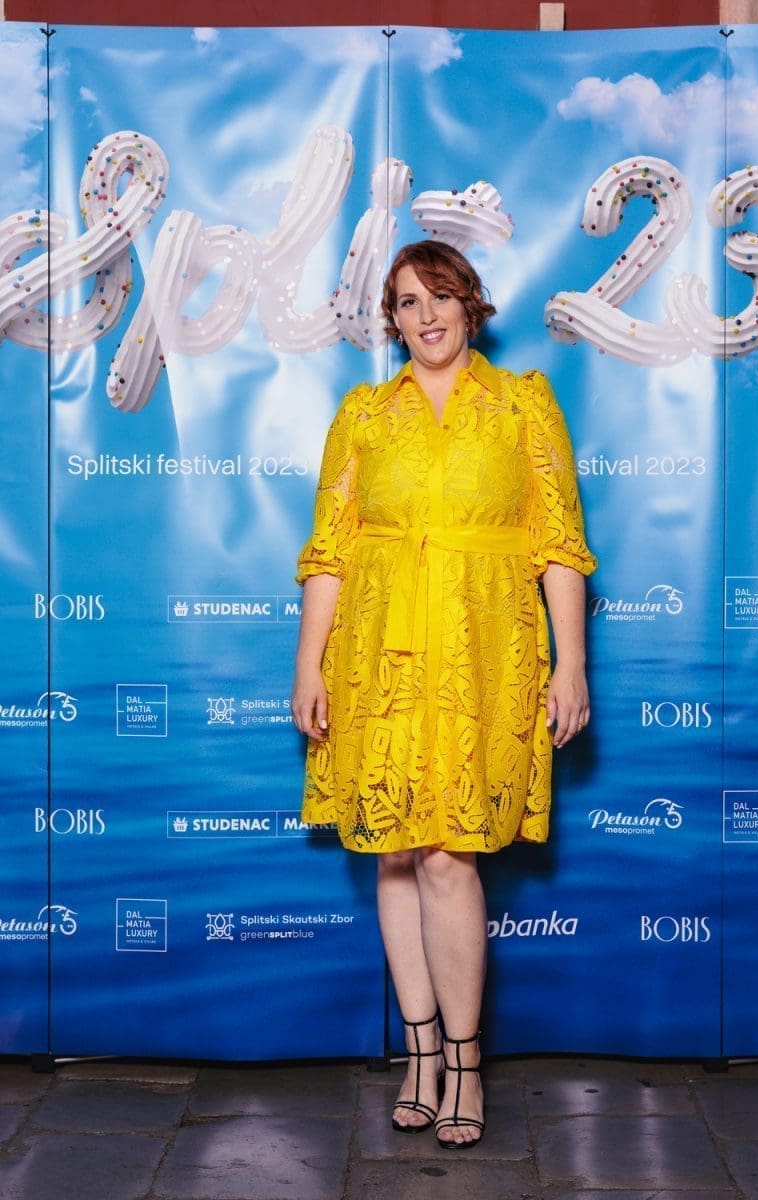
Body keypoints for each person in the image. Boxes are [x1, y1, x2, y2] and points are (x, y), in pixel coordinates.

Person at [291, 240, 596, 1148]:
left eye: (439, 297)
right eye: (406, 302)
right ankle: (419, 1055)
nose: (424, 316)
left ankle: (464, 1065)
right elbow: (330, 551)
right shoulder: (364, 415)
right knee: (394, 854)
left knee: (449, 857)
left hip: (482, 655)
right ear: (392, 319)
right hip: (376, 655)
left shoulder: (523, 405)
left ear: (470, 305)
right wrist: (308, 665)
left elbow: (558, 544)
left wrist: (570, 664)